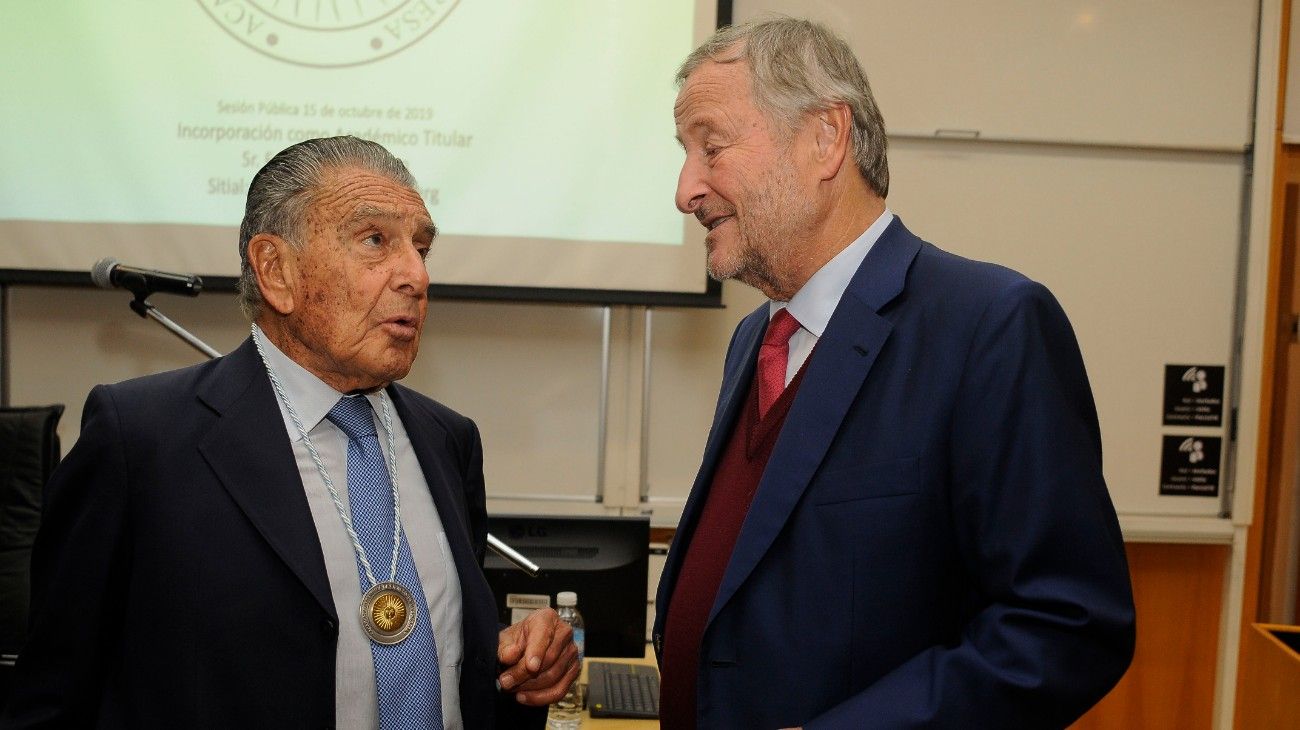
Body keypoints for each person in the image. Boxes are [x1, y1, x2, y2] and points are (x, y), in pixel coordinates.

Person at [653, 17, 1136, 729]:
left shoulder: (990, 327)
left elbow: (1066, 624)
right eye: (684, 154)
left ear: (824, 139)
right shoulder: (756, 340)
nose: (686, 189)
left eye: (712, 147)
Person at [1, 136, 577, 728]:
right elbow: (53, 696)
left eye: (421, 248)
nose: (415, 275)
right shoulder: (141, 441)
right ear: (276, 270)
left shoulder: (448, 439)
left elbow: (451, 656)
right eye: (375, 240)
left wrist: (522, 667)